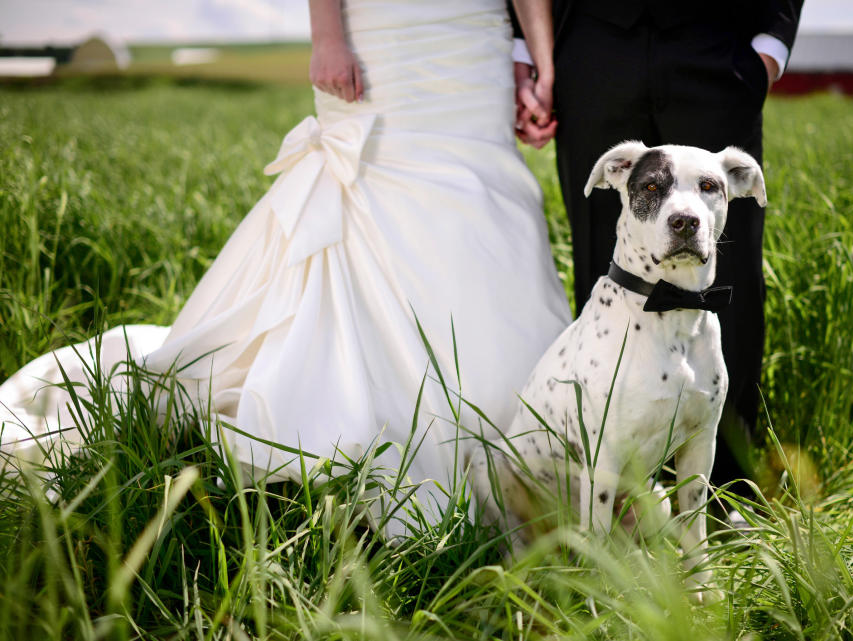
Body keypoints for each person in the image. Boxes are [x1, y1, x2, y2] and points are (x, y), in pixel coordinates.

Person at [0, 0, 569, 525]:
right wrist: (326, 35)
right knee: (382, 206)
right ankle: (371, 417)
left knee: (484, 216)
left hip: (475, 42)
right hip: (387, 38)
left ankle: (525, 443)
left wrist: (535, 58)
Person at [512, 2, 803, 490]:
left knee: (730, 279)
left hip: (716, 49)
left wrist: (770, 45)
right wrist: (530, 50)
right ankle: (623, 497)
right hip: (591, 47)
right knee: (600, 261)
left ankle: (729, 492)